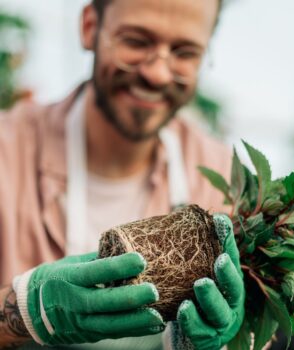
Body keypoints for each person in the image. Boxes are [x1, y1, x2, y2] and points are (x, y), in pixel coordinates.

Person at [0, 0, 245, 349]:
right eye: (136, 41)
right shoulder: (8, 155)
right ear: (89, 27)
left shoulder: (218, 176)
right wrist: (24, 311)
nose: (157, 73)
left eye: (185, 52)